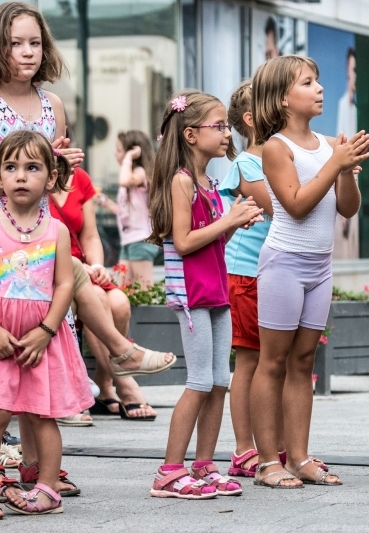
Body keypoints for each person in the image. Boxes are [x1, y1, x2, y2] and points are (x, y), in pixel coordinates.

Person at [0, 1, 83, 499]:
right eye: (15, 43)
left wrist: (60, 169)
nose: (26, 52)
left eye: (34, 42)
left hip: (42, 236)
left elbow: (59, 187)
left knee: (39, 358)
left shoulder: (54, 104)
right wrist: (26, 166)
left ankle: (37, 467)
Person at [249, 55, 369, 488]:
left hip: (320, 266)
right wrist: (334, 164)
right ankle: (267, 461)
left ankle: (299, 456)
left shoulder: (324, 144)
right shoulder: (277, 147)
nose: (319, 88)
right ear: (283, 98)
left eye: (318, 80)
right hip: (284, 263)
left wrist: (347, 172)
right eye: (308, 82)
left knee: (303, 361)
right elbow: (297, 205)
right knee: (274, 361)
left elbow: (347, 209)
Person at [0, 130, 93, 519]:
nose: (21, 176)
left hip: (43, 340)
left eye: (32, 167)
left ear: (51, 177)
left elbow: (65, 282)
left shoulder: (57, 231)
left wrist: (47, 330)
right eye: (11, 167)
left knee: (43, 414)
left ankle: (47, 488)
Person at [146, 90, 262, 500]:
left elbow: (210, 240)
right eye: (219, 126)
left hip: (215, 292)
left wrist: (235, 223)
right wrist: (228, 219)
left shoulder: (209, 183)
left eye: (227, 126)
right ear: (191, 134)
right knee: (199, 382)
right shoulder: (181, 181)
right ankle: (170, 471)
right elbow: (183, 240)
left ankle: (204, 465)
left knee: (218, 382)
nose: (227, 133)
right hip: (193, 296)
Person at [52, 166, 173, 421]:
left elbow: (91, 235)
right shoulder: (31, 175)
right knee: (96, 296)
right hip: (52, 268)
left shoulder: (80, 177)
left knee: (119, 301)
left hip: (83, 268)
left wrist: (97, 266)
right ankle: (126, 385)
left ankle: (104, 386)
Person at [220, 81, 278, 478]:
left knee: (278, 362)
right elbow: (283, 207)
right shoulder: (245, 165)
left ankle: (276, 444)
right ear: (252, 118)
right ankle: (244, 448)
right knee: (249, 361)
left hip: (276, 272)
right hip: (245, 273)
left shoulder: (282, 159)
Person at [94, 130, 158, 289]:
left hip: (140, 240)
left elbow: (124, 180)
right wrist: (106, 202)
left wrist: (128, 158)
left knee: (144, 289)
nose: (116, 154)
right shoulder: (130, 179)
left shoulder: (139, 173)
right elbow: (124, 211)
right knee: (122, 287)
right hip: (128, 241)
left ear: (133, 151)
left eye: (119, 150)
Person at [333, 47, 360, 260]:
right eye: (353, 70)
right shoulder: (345, 105)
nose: (355, 76)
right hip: (348, 182)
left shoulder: (358, 106)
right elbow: (341, 153)